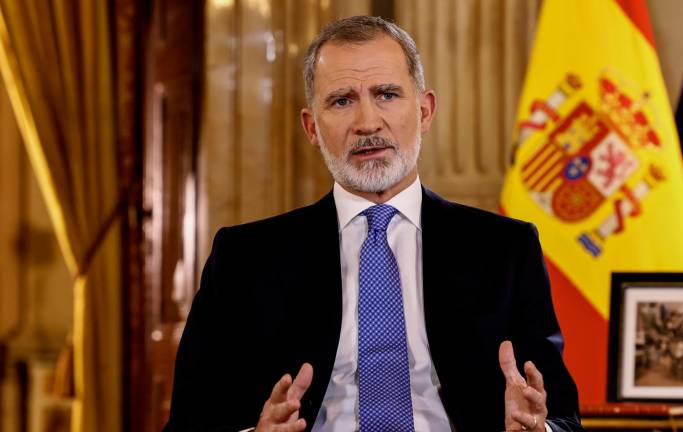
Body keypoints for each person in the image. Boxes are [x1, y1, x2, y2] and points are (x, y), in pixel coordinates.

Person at [165, 16, 583, 432]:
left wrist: (536, 429)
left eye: (386, 94)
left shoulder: (504, 249)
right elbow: (189, 422)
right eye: (342, 100)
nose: (367, 122)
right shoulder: (245, 258)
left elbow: (562, 417)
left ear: (424, 111)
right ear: (312, 127)